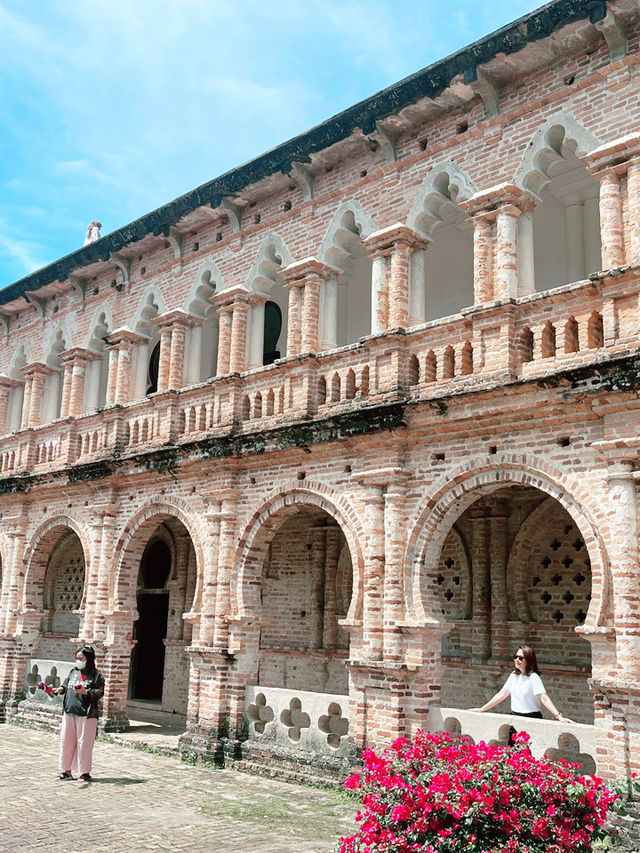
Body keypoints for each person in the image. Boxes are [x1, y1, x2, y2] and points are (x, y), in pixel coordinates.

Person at [469, 645, 573, 726]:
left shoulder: (533, 677)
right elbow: (501, 695)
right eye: (515, 657)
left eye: (521, 658)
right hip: (514, 718)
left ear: (528, 660)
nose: (517, 660)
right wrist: (482, 709)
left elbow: (544, 698)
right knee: (514, 752)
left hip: (531, 719)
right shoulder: (513, 676)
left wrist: (559, 716)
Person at [53, 646, 105, 781]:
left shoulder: (96, 675)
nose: (78, 661)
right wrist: (60, 689)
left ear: (89, 659)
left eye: (81, 658)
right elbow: (66, 685)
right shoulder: (73, 672)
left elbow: (100, 692)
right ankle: (66, 771)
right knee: (67, 741)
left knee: (84, 743)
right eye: (77, 658)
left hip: (86, 714)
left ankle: (84, 772)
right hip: (69, 711)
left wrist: (86, 692)